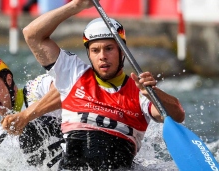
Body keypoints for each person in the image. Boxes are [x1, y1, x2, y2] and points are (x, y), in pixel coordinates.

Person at [22, 0, 185, 170]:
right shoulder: (72, 74)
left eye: (109, 49)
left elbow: (177, 115)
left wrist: (154, 94)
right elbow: (32, 34)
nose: (102, 56)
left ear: (122, 52)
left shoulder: (139, 91)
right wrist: (76, 6)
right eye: (95, 50)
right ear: (89, 54)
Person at [0, 57, 63, 168]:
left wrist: (25, 116)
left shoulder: (35, 90)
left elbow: (67, 88)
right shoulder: (3, 137)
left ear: (8, 80)